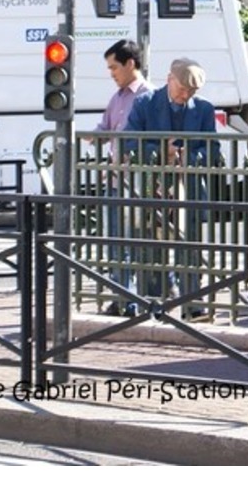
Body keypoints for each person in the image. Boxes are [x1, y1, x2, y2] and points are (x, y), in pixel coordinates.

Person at [124, 58, 217, 317]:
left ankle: (193, 305)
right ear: (169, 79)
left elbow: (213, 150)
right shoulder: (144, 103)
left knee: (191, 248)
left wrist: (191, 157)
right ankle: (154, 305)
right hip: (153, 188)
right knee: (152, 250)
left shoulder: (205, 109)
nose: (185, 94)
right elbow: (128, 143)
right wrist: (160, 152)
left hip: (189, 189)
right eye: (181, 89)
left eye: (191, 91)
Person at [96, 40, 151, 314]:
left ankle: (131, 300)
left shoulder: (147, 96)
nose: (111, 73)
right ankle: (121, 296)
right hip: (116, 179)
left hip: (137, 181)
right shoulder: (117, 97)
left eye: (114, 67)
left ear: (131, 63)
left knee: (132, 242)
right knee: (115, 242)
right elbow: (105, 128)